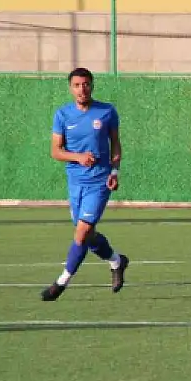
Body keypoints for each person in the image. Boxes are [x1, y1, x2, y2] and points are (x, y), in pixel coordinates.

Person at [41, 67, 130, 301]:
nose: (82, 89)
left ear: (92, 86)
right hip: (75, 183)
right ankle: (116, 261)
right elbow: (56, 151)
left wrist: (115, 171)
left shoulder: (107, 112)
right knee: (87, 235)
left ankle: (61, 282)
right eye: (77, 85)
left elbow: (116, 146)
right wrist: (78, 157)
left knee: (81, 234)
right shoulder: (62, 115)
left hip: (99, 181)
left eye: (86, 84)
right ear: (71, 88)